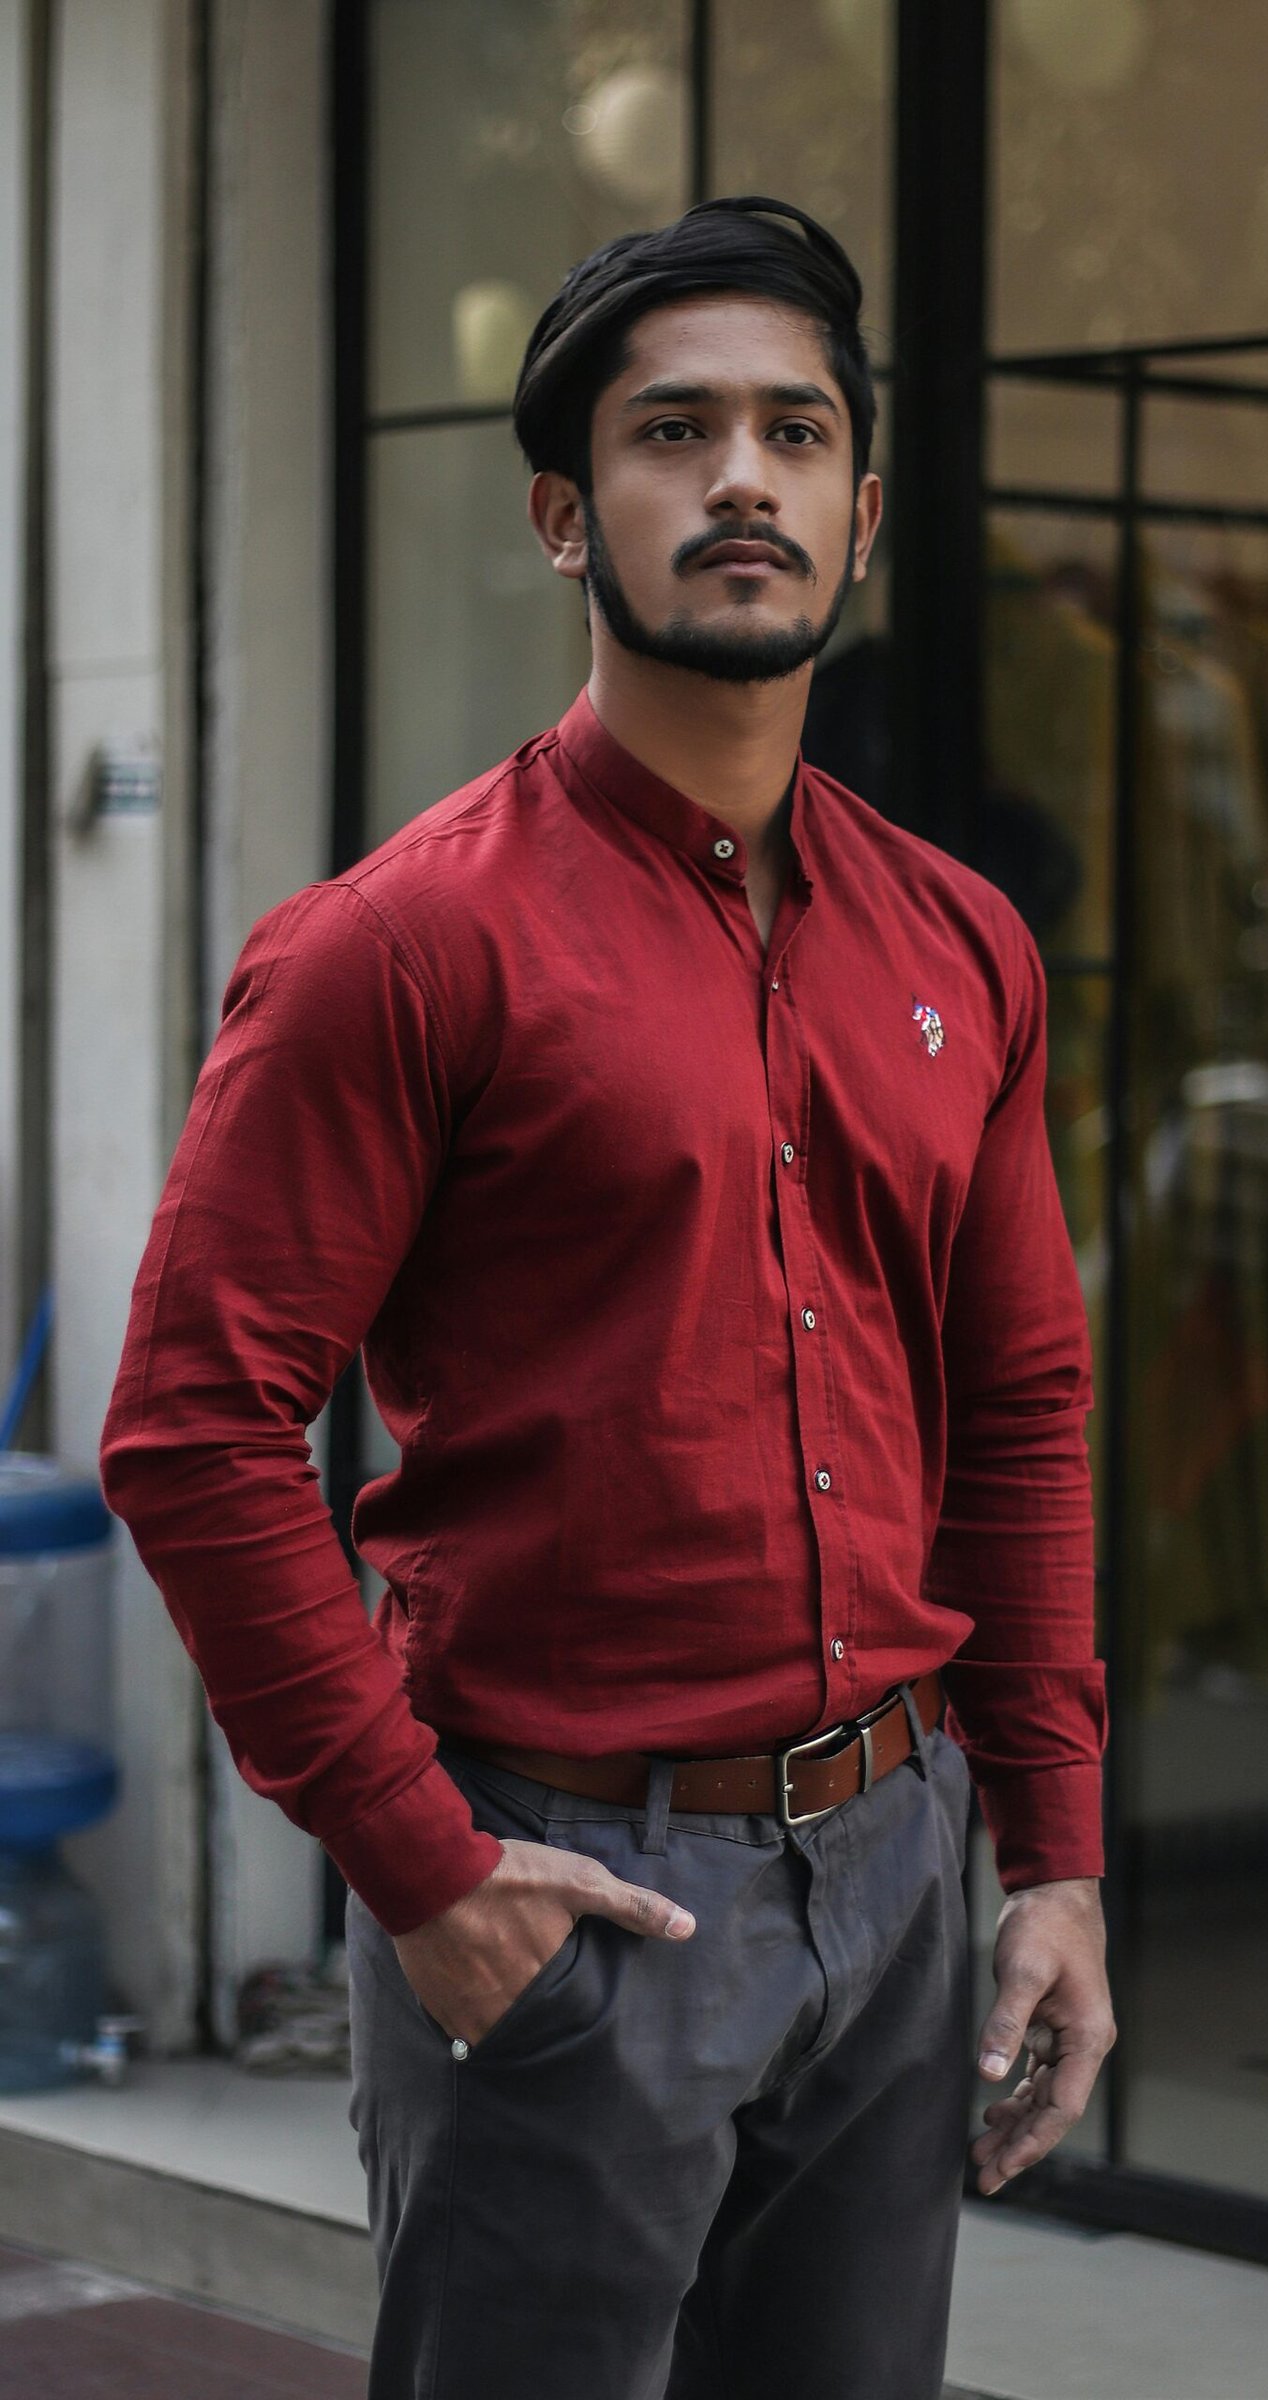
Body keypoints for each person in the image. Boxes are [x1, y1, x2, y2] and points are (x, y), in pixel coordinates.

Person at [99, 194, 1114, 2400]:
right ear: (567, 516)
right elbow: (191, 1426)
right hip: (568, 1888)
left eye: (792, 432)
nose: (739, 477)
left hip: (899, 1869)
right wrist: (424, 1873)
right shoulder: (398, 945)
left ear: (859, 510)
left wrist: (1050, 1854)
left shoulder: (961, 947)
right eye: (673, 433)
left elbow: (1022, 1407)